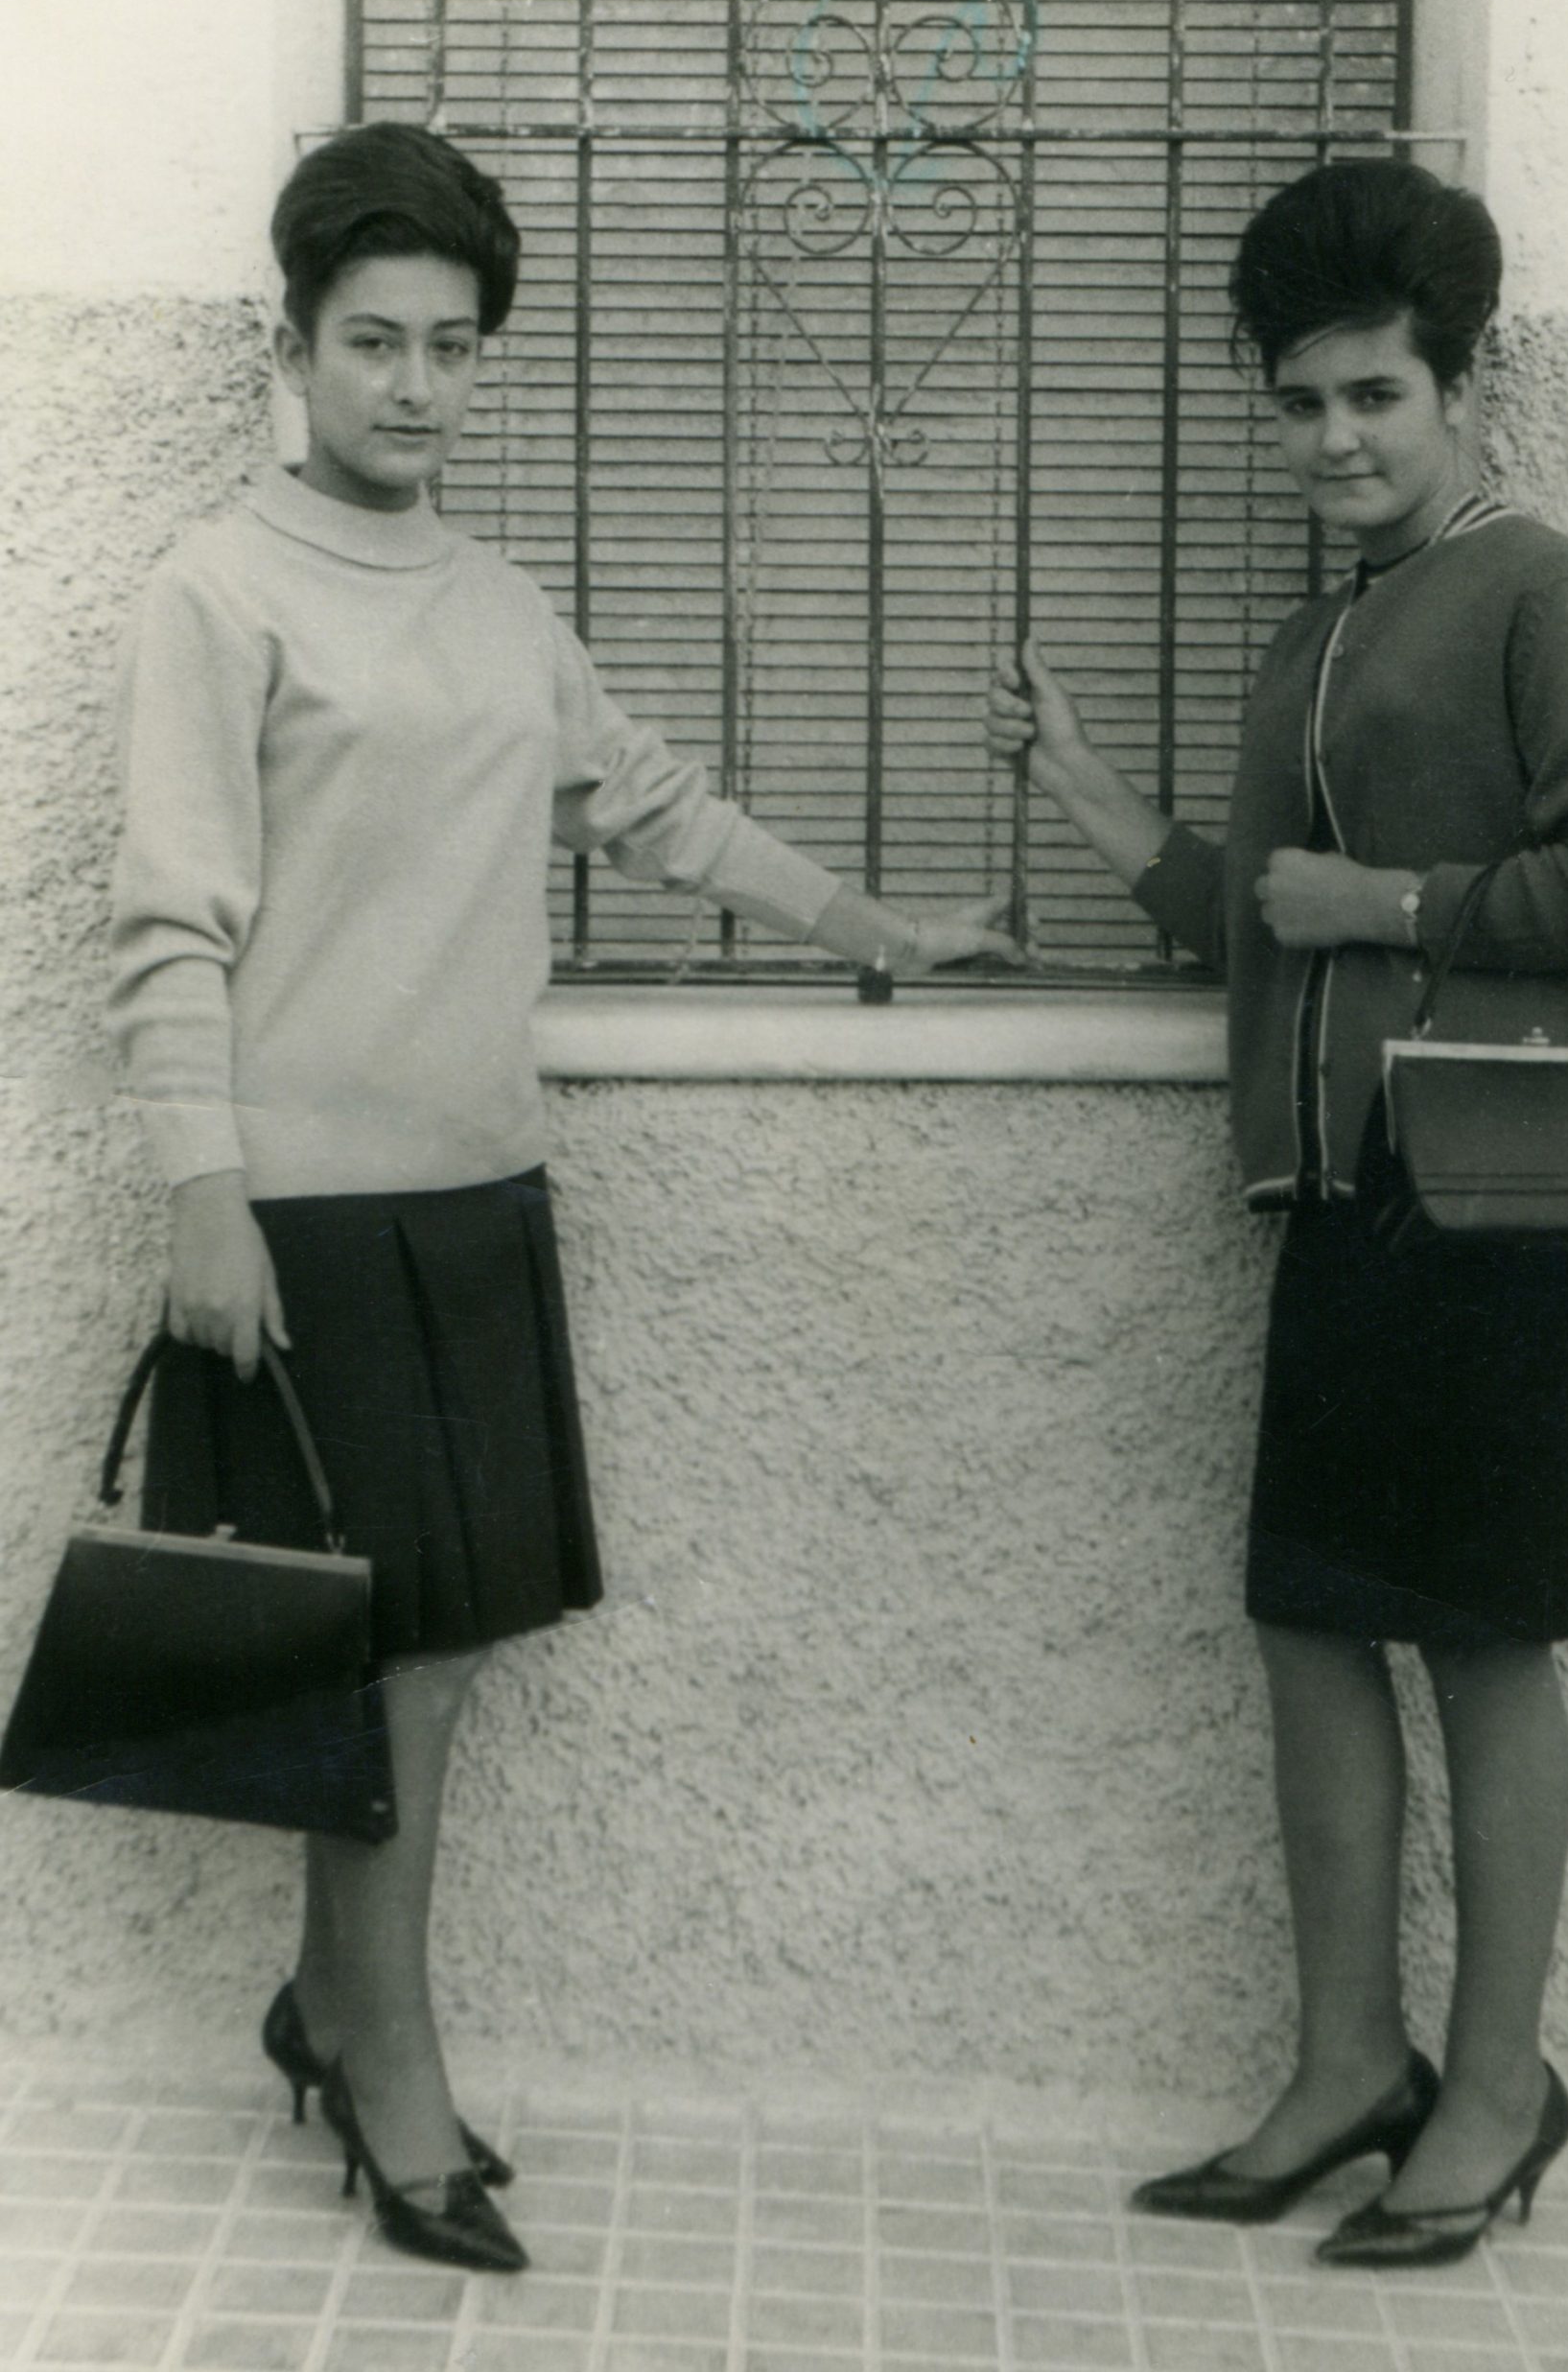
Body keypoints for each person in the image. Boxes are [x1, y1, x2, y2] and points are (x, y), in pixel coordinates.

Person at [108, 121, 1021, 2275]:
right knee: (378, 1667)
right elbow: (167, 923)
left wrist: (873, 924)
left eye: (452, 346)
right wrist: (202, 1190)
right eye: (373, 342)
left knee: (437, 1656)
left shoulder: (501, 605)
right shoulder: (213, 589)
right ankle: (393, 2071)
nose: (415, 384)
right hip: (304, 1216)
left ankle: (331, 2004)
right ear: (293, 348)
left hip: (475, 1196)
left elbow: (658, 806)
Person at [984, 159, 1568, 2269]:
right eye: (1296, 403)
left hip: (1502, 1195)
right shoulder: (1316, 630)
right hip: (1338, 1198)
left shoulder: (1537, 588)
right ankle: (1347, 2066)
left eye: (1373, 394)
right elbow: (1261, 925)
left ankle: (1497, 2092)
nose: (1334, 439)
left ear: (1455, 384)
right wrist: (1088, 792)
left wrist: (1380, 898)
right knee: (1309, 1617)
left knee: (1478, 1633)